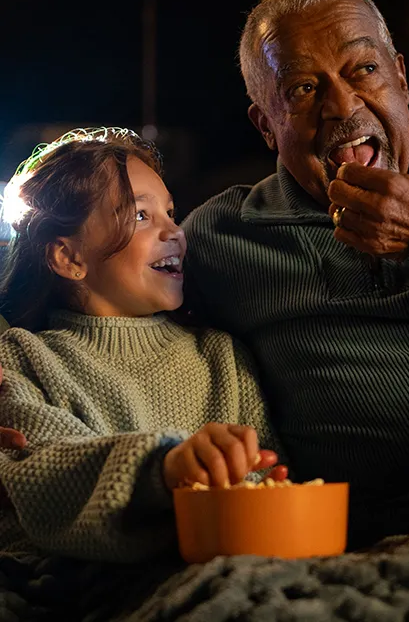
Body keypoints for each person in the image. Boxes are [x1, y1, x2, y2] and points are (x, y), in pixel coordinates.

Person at [181, 0, 409, 549]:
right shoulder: (222, 236)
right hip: (360, 535)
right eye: (303, 88)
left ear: (400, 76)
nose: (343, 107)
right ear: (265, 125)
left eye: (363, 70)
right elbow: (77, 296)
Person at [0, 127, 285, 563]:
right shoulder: (24, 358)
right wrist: (164, 469)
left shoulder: (221, 357)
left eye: (172, 212)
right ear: (69, 257)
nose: (175, 231)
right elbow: (43, 473)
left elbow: (264, 478)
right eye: (140, 216)